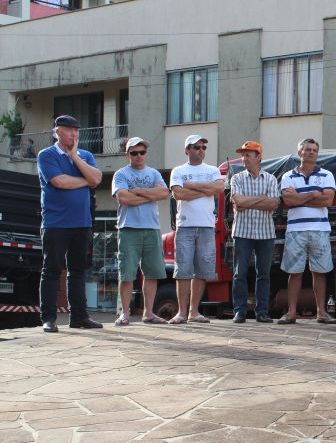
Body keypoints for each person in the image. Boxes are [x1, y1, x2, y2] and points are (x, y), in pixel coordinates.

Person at [37, 115, 104, 332]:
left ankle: (79, 317)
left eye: (77, 130)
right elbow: (59, 181)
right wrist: (86, 181)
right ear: (57, 132)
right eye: (69, 130)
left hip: (82, 223)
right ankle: (48, 318)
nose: (74, 134)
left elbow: (97, 179)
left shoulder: (85, 155)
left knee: (78, 271)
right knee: (51, 270)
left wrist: (74, 156)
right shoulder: (46, 155)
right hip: (55, 223)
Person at [277, 138, 336, 324]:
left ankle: (322, 312)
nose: (311, 152)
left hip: (320, 229)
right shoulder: (288, 176)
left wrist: (299, 198)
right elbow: (289, 201)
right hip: (295, 230)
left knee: (319, 272)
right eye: (307, 149)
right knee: (294, 272)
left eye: (314, 150)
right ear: (299, 153)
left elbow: (327, 200)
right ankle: (291, 313)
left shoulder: (327, 174)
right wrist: (312, 194)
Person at [111, 137, 170, 326]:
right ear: (127, 154)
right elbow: (123, 198)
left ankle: (149, 313)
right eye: (134, 153)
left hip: (152, 228)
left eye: (142, 152)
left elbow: (164, 193)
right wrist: (150, 194)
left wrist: (136, 191)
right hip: (128, 228)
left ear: (146, 153)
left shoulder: (154, 173)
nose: (138, 156)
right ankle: (125, 313)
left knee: (152, 273)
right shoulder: (121, 174)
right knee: (127, 274)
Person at [168, 134, 225, 324]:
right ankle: (181, 313)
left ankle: (193, 311)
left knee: (202, 270)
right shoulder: (178, 170)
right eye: (196, 147)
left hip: (207, 226)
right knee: (183, 270)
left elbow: (219, 188)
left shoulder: (212, 169)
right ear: (187, 150)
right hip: (185, 225)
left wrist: (193, 186)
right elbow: (178, 194)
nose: (201, 150)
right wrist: (206, 189)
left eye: (203, 147)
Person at [229, 141, 280, 324]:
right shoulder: (236, 178)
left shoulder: (271, 179)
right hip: (242, 232)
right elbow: (239, 201)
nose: (243, 159)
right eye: (242, 155)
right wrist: (261, 200)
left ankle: (262, 312)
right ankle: (239, 311)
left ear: (258, 157)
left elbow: (273, 204)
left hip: (265, 233)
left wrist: (247, 202)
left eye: (247, 155)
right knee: (239, 273)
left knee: (263, 274)